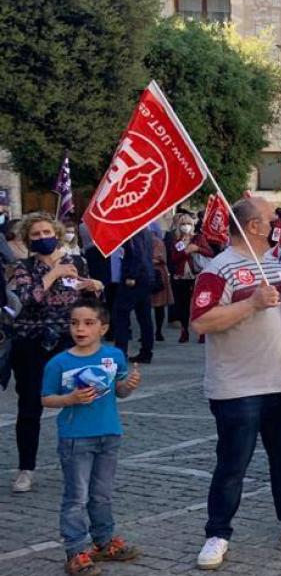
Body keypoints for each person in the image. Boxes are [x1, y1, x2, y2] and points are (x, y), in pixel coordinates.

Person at [190, 197, 281, 569]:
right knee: (233, 465)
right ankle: (217, 533)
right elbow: (201, 321)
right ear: (253, 226)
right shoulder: (219, 269)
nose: (277, 222)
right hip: (238, 387)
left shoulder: (274, 266)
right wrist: (250, 305)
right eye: (270, 217)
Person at [41, 296, 142, 576]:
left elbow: (119, 391)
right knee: (77, 497)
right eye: (74, 323)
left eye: (88, 323)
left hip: (109, 433)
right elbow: (46, 399)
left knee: (102, 495)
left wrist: (129, 384)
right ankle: (75, 551)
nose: (80, 329)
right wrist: (70, 398)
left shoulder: (114, 356)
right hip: (75, 438)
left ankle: (103, 541)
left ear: (103, 328)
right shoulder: (58, 363)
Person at [9, 212, 106, 494]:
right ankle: (26, 468)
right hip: (32, 343)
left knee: (79, 403)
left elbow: (86, 304)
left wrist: (95, 288)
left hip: (69, 343)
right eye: (36, 235)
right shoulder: (22, 267)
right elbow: (27, 299)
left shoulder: (76, 262)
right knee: (30, 406)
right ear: (28, 240)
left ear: (57, 234)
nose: (42, 238)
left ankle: (78, 465)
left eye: (46, 233)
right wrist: (53, 273)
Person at [112, 227, 155, 363]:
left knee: (121, 316)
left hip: (134, 280)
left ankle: (121, 352)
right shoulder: (146, 232)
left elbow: (138, 254)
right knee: (144, 317)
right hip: (146, 277)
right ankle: (146, 351)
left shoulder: (134, 232)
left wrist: (132, 275)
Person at [168, 213, 202, 343]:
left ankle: (201, 332)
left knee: (197, 304)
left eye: (188, 223)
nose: (186, 226)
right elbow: (174, 258)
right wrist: (184, 252)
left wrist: (197, 248)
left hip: (196, 275)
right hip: (181, 277)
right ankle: (184, 331)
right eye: (183, 224)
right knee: (183, 306)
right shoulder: (176, 241)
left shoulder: (198, 238)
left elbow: (209, 252)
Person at [150, 227, 174, 343]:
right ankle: (150, 332)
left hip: (157, 274)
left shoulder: (156, 242)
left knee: (159, 306)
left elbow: (159, 258)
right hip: (146, 274)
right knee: (146, 306)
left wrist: (143, 259)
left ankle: (158, 331)